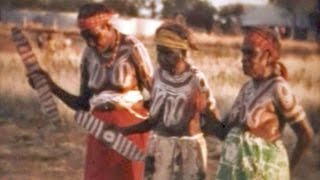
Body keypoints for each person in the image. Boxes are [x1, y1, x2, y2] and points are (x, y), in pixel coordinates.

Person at [29, 3, 154, 180]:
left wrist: (135, 121)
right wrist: (51, 86)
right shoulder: (88, 54)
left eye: (94, 36)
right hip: (100, 131)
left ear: (108, 26)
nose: (90, 43)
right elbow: (82, 104)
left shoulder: (132, 48)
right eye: (85, 37)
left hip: (131, 130)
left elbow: (158, 96)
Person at [119, 21, 222, 180]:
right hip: (160, 147)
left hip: (189, 150)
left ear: (182, 52)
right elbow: (153, 120)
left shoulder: (196, 79)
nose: (161, 58)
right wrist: (125, 130)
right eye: (159, 52)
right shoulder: (158, 76)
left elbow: (212, 116)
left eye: (168, 53)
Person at [216, 27, 314, 180]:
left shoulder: (278, 88)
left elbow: (305, 134)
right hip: (236, 172)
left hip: (264, 173)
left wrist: (286, 169)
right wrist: (203, 110)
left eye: (251, 53)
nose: (243, 58)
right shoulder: (247, 88)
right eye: (243, 52)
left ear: (268, 56)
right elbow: (224, 131)